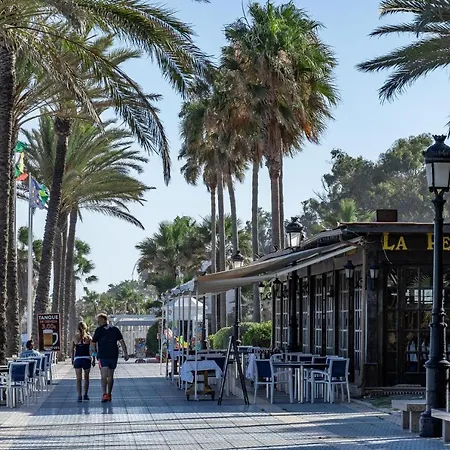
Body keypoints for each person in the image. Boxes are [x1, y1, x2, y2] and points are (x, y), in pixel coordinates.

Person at [91, 313, 129, 403]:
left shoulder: (113, 330)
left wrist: (126, 353)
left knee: (109, 376)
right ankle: (105, 394)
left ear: (105, 320)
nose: (98, 322)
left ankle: (108, 394)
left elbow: (121, 341)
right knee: (105, 375)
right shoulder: (99, 330)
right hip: (104, 356)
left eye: (99, 320)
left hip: (111, 355)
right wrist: (94, 354)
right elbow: (93, 343)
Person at [71, 321, 94, 402]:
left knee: (78, 379)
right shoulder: (89, 338)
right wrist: (94, 359)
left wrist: (72, 359)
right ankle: (86, 395)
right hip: (86, 359)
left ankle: (79, 396)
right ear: (86, 328)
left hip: (77, 359)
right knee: (86, 378)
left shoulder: (75, 337)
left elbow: (72, 350)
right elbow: (92, 349)